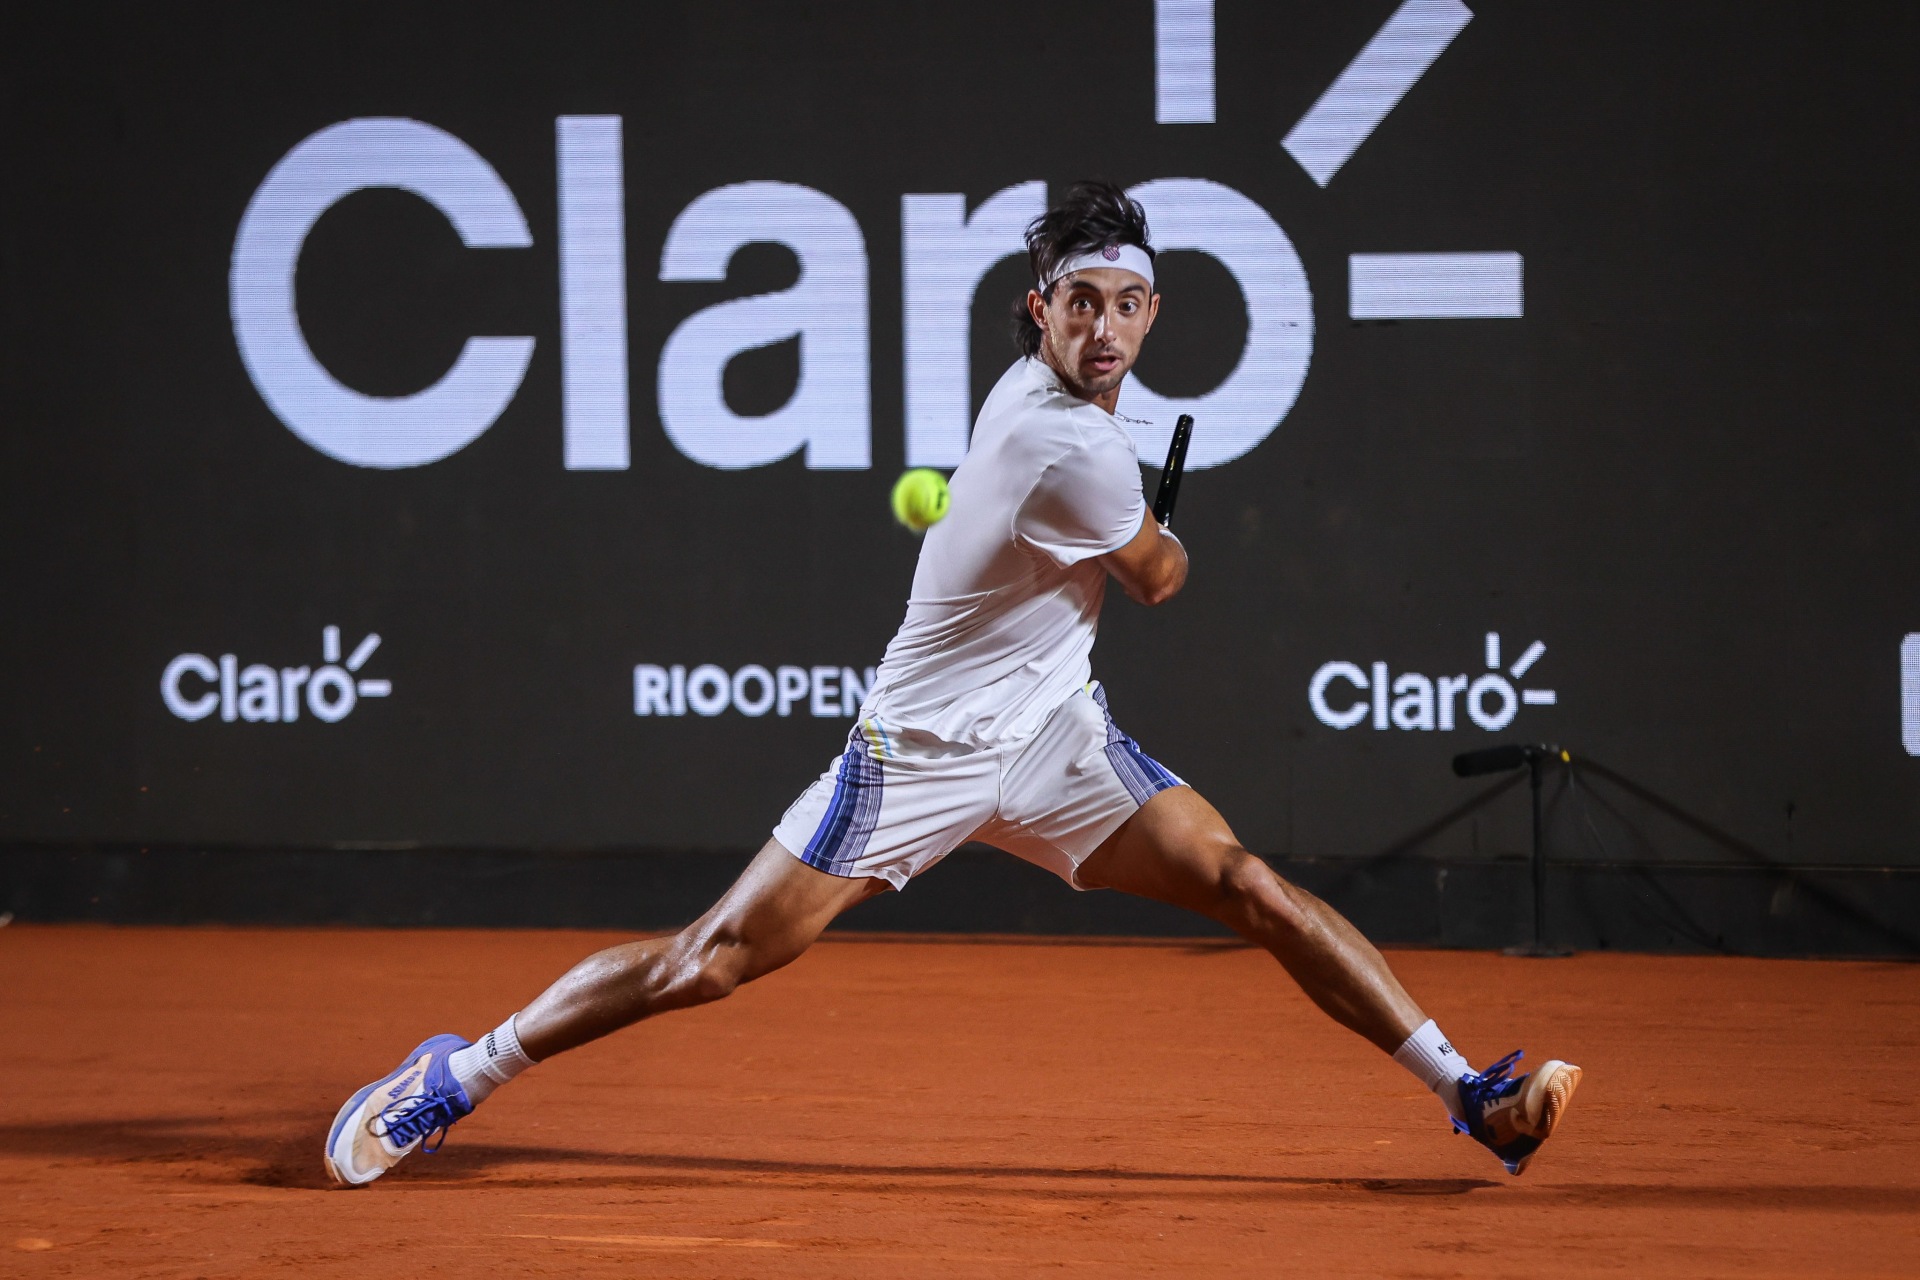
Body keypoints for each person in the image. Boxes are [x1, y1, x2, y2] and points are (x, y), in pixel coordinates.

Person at [324, 181, 1581, 1188]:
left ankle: (1474, 1095)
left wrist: (1131, 528)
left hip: (1053, 740)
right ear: (1043, 310)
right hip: (915, 759)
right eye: (1079, 302)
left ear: (1153, 314)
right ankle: (460, 1071)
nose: (1103, 326)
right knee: (707, 962)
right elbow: (1160, 579)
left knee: (1248, 882)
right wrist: (1161, 531)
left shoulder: (1058, 408)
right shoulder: (1067, 439)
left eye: (1126, 304)